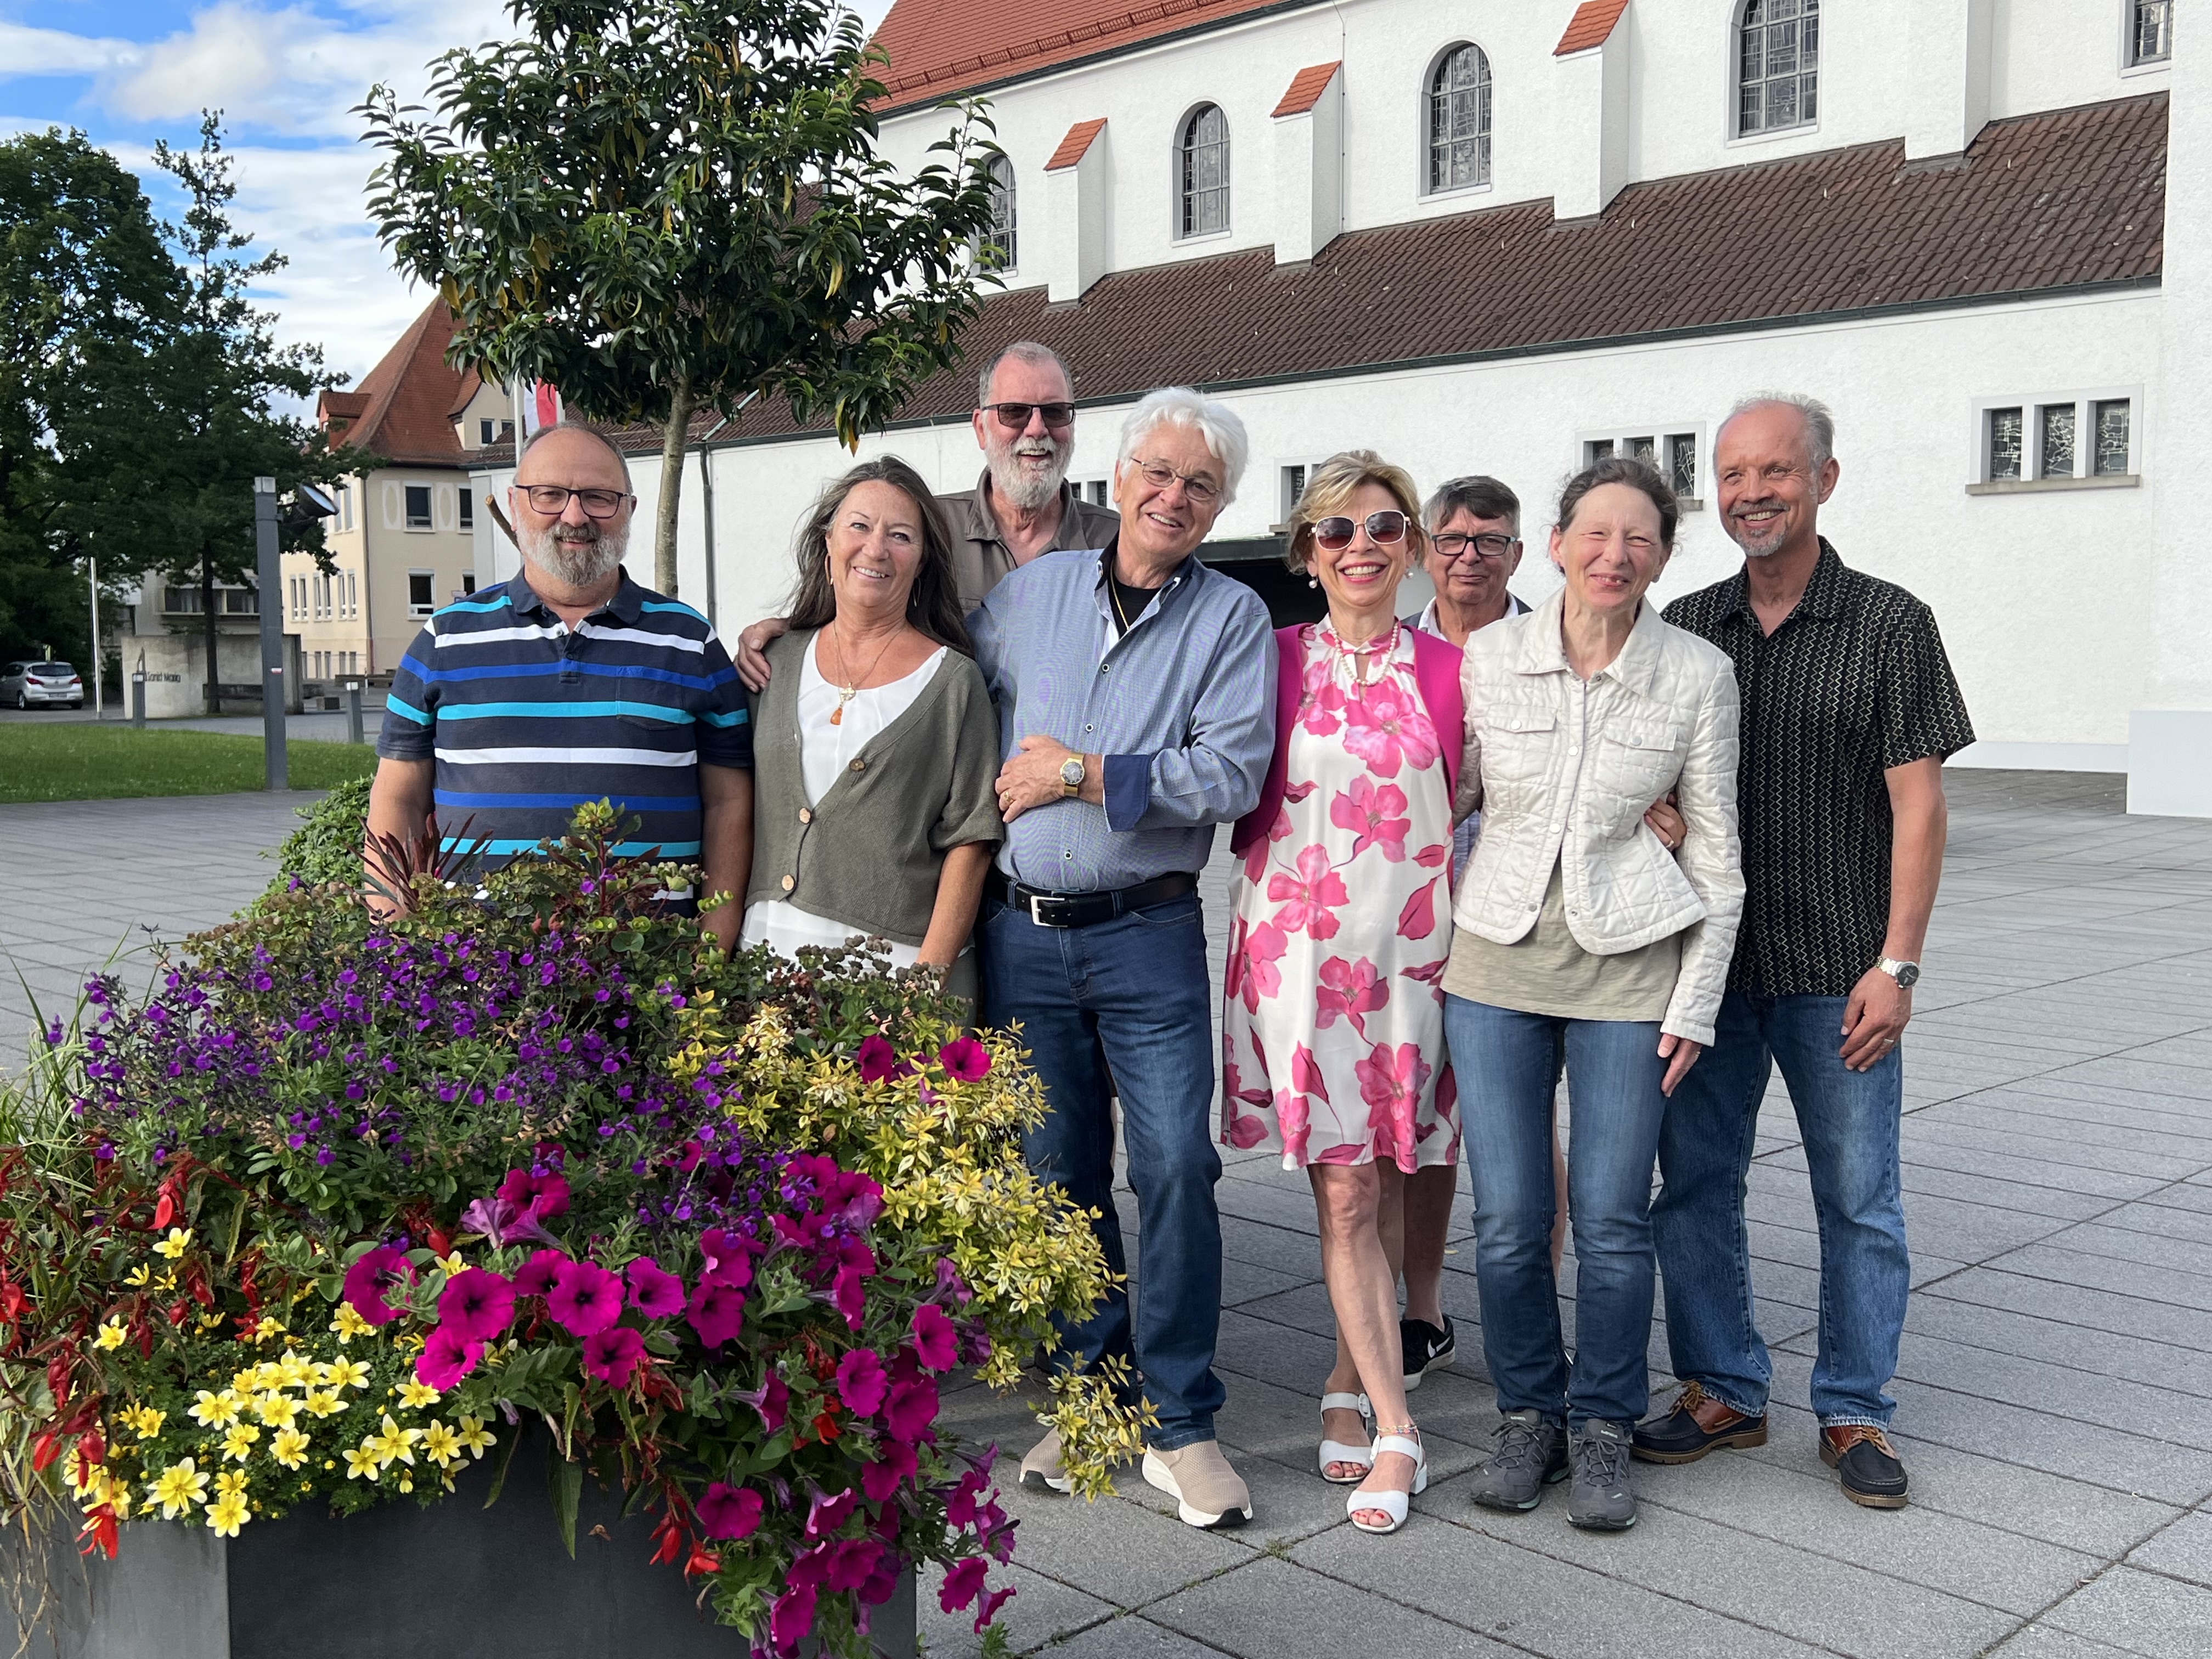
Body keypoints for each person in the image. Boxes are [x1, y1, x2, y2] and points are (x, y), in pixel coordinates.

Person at [1640, 394, 1973, 1510]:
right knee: (1692, 1185)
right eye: (1731, 475)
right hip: (1708, 967)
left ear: (1825, 480)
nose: (1749, 493)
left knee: (1860, 1196)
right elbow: (1646, 780)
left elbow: (1919, 809)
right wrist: (1659, 817)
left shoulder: (1890, 624)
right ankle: (1723, 1388)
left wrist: (1902, 965)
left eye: (1774, 472)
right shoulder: (1682, 625)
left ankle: (1854, 1408)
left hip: (1841, 967)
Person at [971, 387, 1274, 1532]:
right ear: (1119, 476)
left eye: (1200, 484)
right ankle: (1090, 1396)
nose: (1174, 496)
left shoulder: (1232, 619)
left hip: (1147, 934)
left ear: (1220, 505)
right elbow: (945, 691)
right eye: (1158, 471)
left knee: (1176, 1171)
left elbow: (1232, 772)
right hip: (1022, 935)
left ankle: (1185, 1418)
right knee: (1059, 1177)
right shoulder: (1032, 593)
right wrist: (780, 637)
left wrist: (1086, 774)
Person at [1449, 456, 1743, 1533]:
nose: (1616, 554)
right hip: (1494, 966)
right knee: (1511, 1220)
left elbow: (1719, 858)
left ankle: (1606, 1421)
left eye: (1642, 539)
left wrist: (1696, 1003)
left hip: (1632, 974)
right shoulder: (1489, 659)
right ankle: (1530, 1412)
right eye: (1597, 533)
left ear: (1663, 556)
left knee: (1615, 1221)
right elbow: (1442, 797)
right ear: (1561, 543)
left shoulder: (1696, 676)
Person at [1394, 478, 1688, 1394]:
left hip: (1593, 947)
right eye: (1450, 538)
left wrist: (1628, 800)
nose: (1469, 553)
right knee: (1444, 1156)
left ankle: (1590, 1394)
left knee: (1588, 1199)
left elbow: (1703, 830)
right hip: (1446, 931)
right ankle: (1434, 1322)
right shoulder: (1420, 654)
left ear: (1526, 549)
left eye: (1490, 538)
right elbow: (1432, 789)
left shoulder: (1661, 664)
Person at [1220, 451, 1461, 1536]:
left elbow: (1538, 781)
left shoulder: (1459, 670)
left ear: (1410, 546)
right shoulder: (1263, 661)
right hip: (1298, 967)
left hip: (1416, 969)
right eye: (1335, 530)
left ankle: (1348, 1367)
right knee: (1347, 1193)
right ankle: (1398, 1426)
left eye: (1383, 525)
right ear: (1306, 555)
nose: (1360, 544)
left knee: (1397, 1169)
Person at [368, 422, 753, 944]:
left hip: (653, 969)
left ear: (630, 510)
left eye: (599, 497)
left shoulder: (690, 643)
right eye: (550, 495)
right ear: (515, 503)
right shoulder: (444, 640)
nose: (575, 516)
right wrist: (399, 943)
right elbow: (399, 802)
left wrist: (710, 952)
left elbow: (729, 805)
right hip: (475, 974)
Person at [738, 457, 1001, 1005]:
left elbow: (972, 841)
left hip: (893, 980)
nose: (876, 548)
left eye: (900, 535)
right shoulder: (772, 665)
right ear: (828, 540)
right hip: (765, 968)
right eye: (859, 525)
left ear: (923, 560)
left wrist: (925, 987)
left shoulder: (954, 683)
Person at [733, 341, 1118, 688]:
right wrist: (786, 634)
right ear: (980, 429)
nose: (1037, 429)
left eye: (1054, 412)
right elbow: (857, 612)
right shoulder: (924, 528)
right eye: (1014, 412)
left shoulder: (1118, 545)